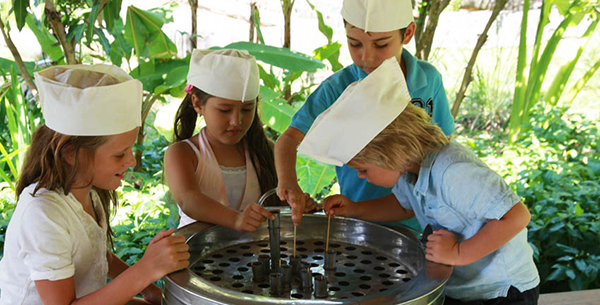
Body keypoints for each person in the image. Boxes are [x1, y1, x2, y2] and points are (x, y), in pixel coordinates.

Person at [302, 57, 539, 304]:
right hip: (465, 285)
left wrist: (458, 253)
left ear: (388, 150)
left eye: (362, 169)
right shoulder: (409, 171)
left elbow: (516, 216)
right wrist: (355, 209)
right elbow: (403, 206)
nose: (362, 177)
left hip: (502, 291)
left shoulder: (453, 172)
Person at [0, 64, 190, 305]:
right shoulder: (43, 214)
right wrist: (144, 271)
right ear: (71, 153)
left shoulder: (86, 190)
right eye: (120, 154)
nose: (131, 161)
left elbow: (91, 256)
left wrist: (146, 284)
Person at [275, 0, 454, 226]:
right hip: (358, 219)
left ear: (407, 33)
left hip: (420, 221)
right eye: (354, 43)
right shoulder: (337, 89)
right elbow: (289, 139)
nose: (366, 58)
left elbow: (443, 147)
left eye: (381, 45)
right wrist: (289, 182)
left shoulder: (428, 81)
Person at [164, 49, 316, 232]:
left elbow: (277, 204)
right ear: (197, 104)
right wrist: (236, 220)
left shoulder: (265, 150)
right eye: (224, 110)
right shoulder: (183, 154)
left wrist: (297, 205)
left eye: (247, 109)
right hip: (197, 253)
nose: (237, 121)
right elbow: (189, 200)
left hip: (253, 255)